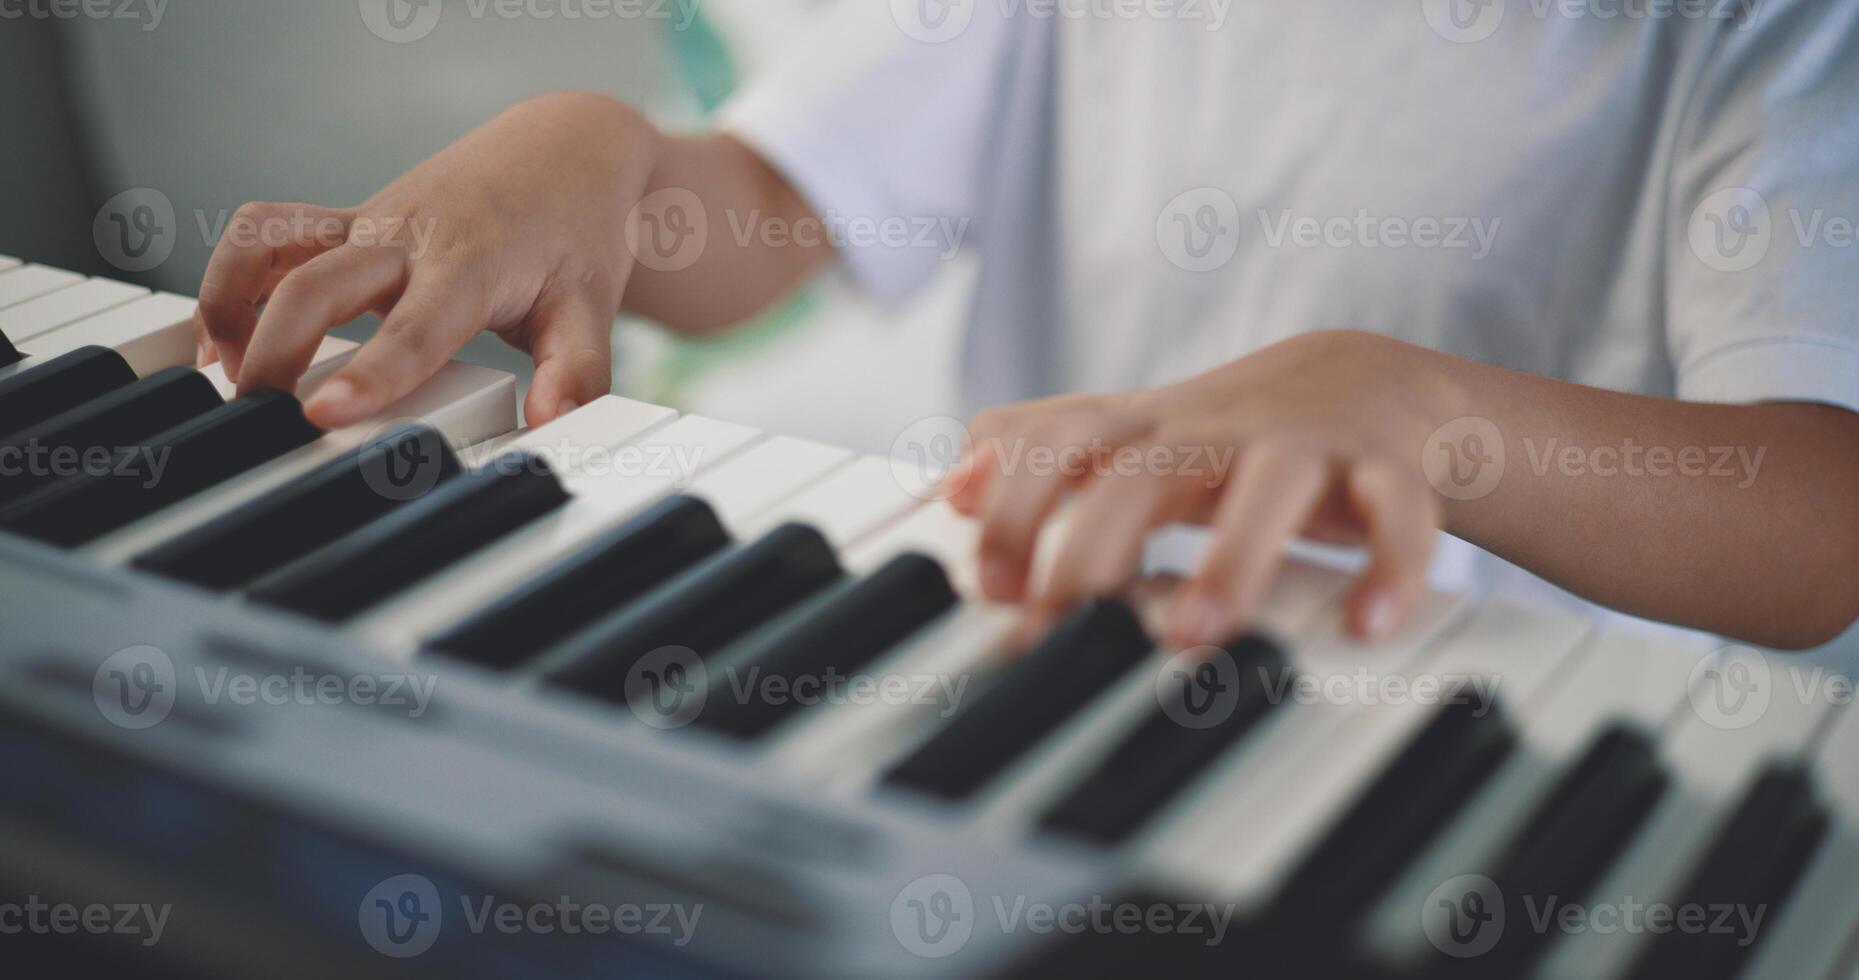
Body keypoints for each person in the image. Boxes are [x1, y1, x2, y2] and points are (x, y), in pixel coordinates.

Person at [191, 2, 1859, 651]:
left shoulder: (1768, 33)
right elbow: (761, 220)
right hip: (1067, 658)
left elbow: (1817, 521)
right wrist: (602, 156)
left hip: (1507, 744)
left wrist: (1416, 412)